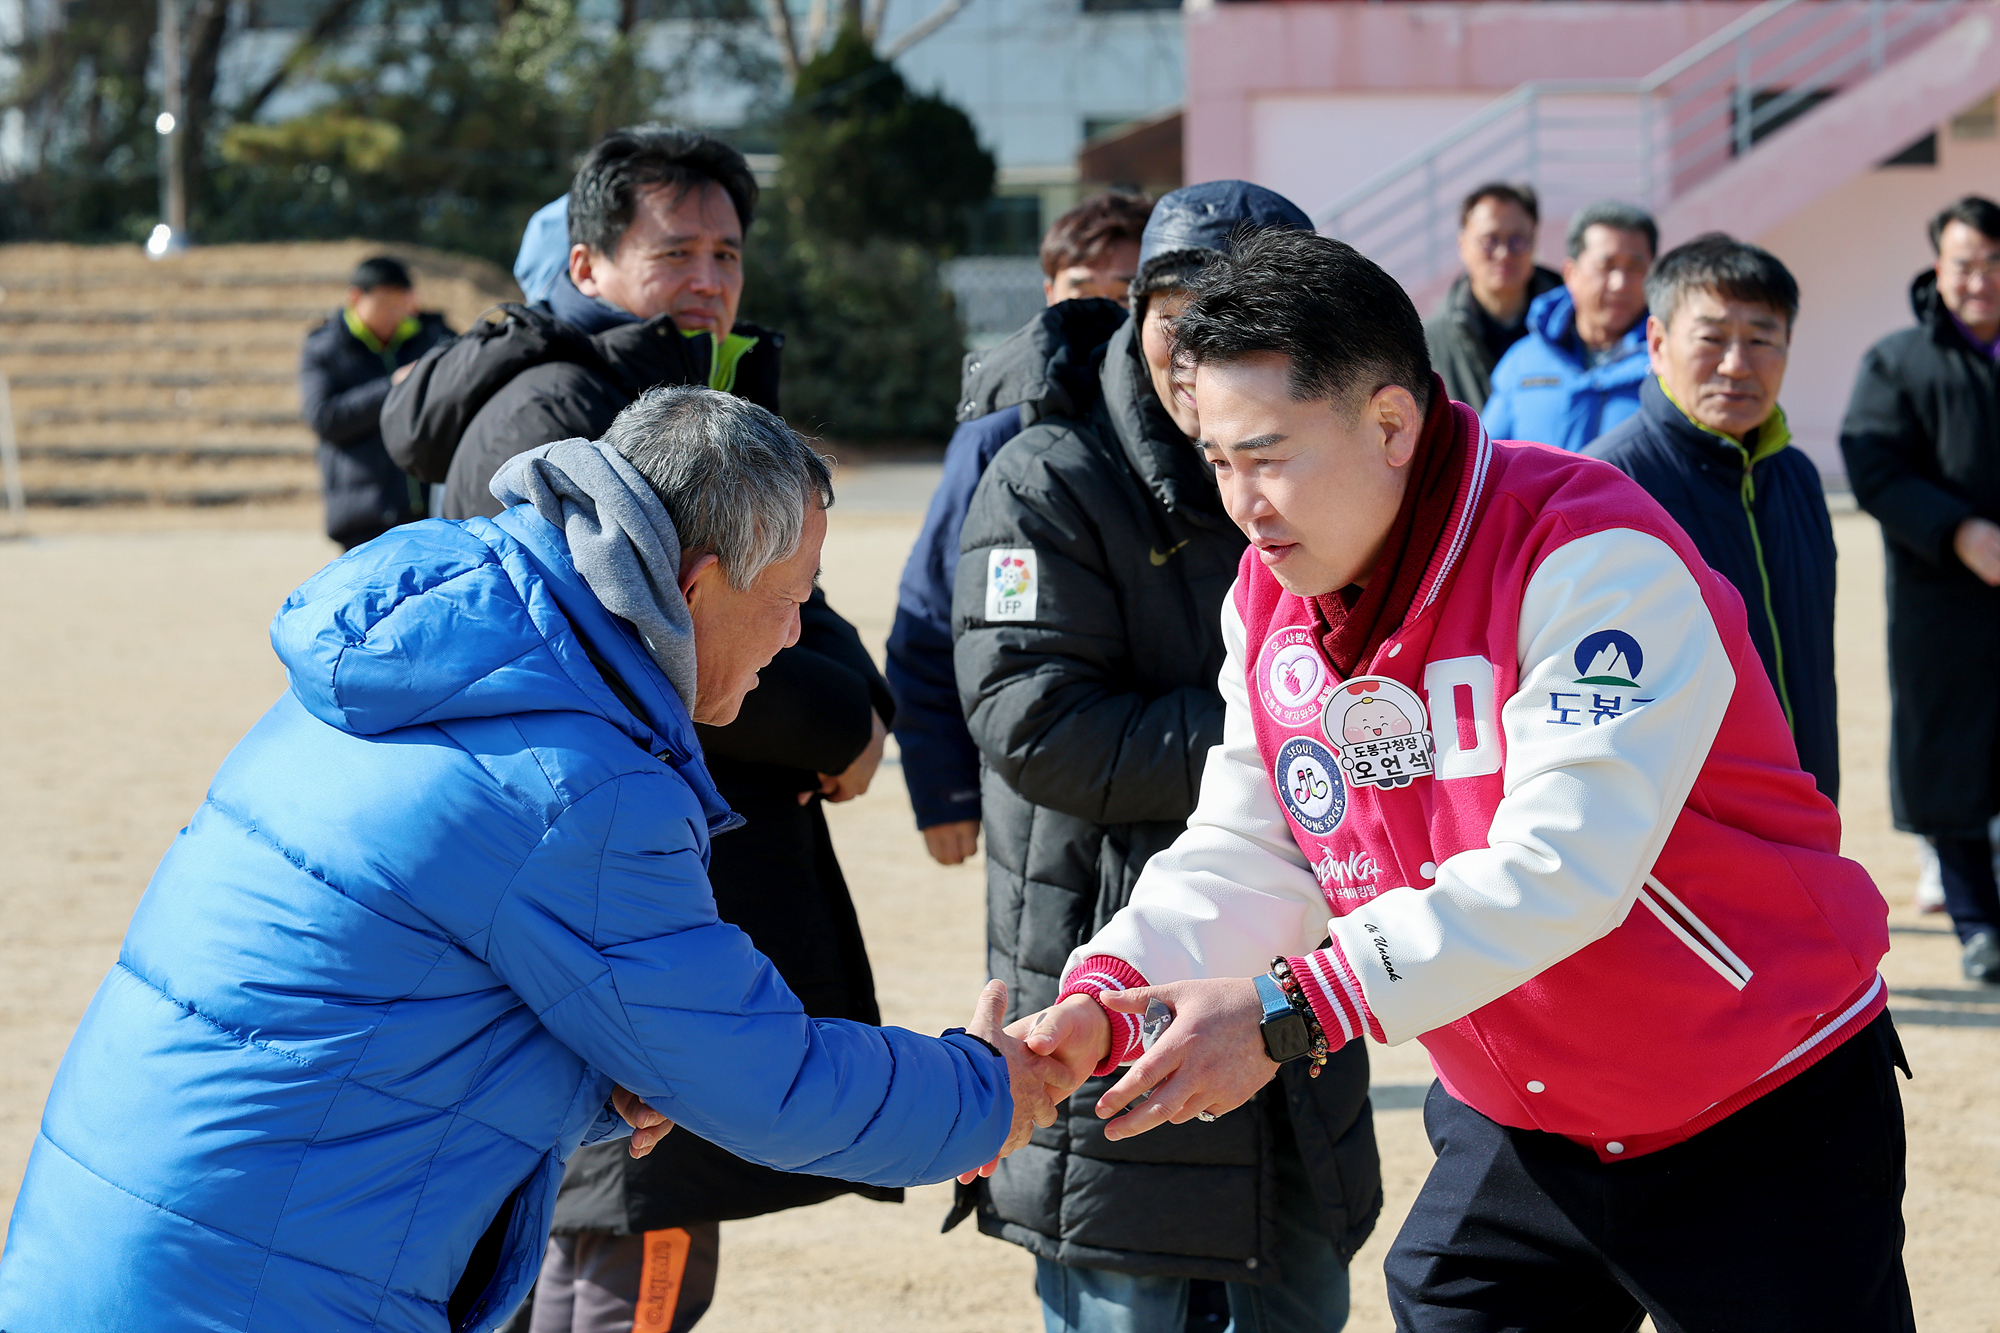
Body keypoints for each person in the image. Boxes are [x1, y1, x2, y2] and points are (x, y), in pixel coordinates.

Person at [0, 387, 1060, 1332]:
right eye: (788, 602)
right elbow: (761, 1078)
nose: (793, 640)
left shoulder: (448, 650)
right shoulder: (576, 781)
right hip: (257, 1282)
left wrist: (600, 1078)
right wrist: (985, 1090)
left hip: (137, 1231)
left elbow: (400, 988)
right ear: (695, 586)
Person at [1021, 227, 1908, 1332]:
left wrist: (1290, 1012)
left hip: (1753, 1103)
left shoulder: (1591, 553)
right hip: (1518, 1116)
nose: (1239, 502)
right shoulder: (1266, 599)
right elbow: (1262, 844)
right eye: (1214, 460)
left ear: (1390, 423)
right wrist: (1101, 990)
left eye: (1266, 455)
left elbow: (1564, 868)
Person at [950, 182, 1382, 1333]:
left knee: (1299, 1297)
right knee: (1124, 1301)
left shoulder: (1341, 477)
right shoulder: (1047, 476)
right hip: (1108, 957)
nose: (1202, 353)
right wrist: (1289, 738)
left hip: (1289, 978)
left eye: (1247, 322)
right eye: (1178, 317)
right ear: (1133, 309)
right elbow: (1036, 724)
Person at [886, 190, 1154, 868]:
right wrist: (941, 781)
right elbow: (930, 607)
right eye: (1079, 288)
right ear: (1047, 291)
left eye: (1124, 289)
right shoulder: (1001, 427)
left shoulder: (1202, 422)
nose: (1101, 310)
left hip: (1173, 776)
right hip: (1040, 796)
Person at [382, 124, 781, 522]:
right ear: (586, 268)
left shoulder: (714, 381)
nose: (710, 284)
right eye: (676, 253)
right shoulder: (554, 413)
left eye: (726, 256)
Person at [1586, 233, 1839, 802]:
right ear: (1656, 342)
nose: (1736, 364)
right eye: (1712, 338)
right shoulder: (1609, 485)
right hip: (1689, 823)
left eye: (1760, 338)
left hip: (1805, 798)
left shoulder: (1795, 475)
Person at [1842, 194, 2000, 985]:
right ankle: (1979, 924)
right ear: (1939, 268)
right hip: (1945, 597)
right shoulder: (1897, 361)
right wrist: (1959, 531)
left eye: (1995, 263)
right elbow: (1871, 462)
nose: (1981, 280)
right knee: (1954, 760)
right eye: (1966, 263)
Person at [298, 255, 453, 549]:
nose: (394, 313)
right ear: (355, 297)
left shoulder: (433, 337)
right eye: (385, 305)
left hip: (428, 512)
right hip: (363, 515)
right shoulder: (323, 348)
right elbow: (324, 417)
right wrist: (393, 386)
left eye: (401, 304)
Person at [1482, 199, 1656, 452]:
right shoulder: (1523, 362)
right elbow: (1484, 459)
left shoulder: (1670, 364)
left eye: (1635, 267)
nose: (1620, 283)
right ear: (1571, 272)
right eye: (1605, 266)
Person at [1423, 183, 1561, 412]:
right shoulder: (1432, 341)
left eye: (1517, 240)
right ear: (1462, 245)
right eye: (1490, 240)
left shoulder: (1573, 322)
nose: (1503, 254)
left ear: (1534, 242)